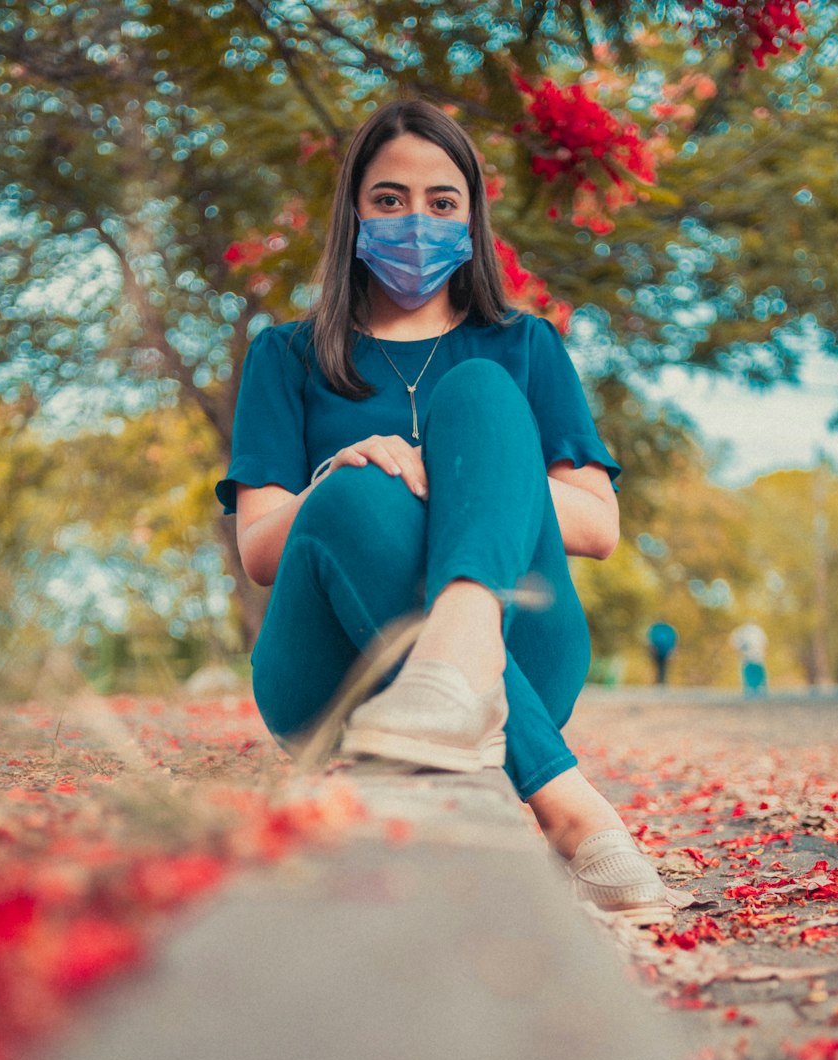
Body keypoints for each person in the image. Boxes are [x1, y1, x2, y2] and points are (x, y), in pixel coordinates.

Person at [216, 100, 691, 926]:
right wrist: (337, 475)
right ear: (354, 213)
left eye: (442, 202)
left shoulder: (523, 346)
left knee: (477, 398)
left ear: (470, 218)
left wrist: (470, 470)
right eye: (390, 198)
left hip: (521, 642)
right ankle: (568, 801)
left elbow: (599, 525)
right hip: (332, 677)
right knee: (359, 490)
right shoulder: (283, 356)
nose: (416, 219)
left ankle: (458, 661)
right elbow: (260, 547)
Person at [730, 622, 769, 695]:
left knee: (752, 674)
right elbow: (764, 642)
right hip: (753, 657)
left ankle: (754, 691)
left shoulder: (742, 631)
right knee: (754, 674)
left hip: (750, 657)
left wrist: (738, 651)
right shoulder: (756, 630)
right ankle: (757, 691)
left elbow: (734, 642)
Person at [646, 621, 678, 686]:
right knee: (658, 667)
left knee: (663, 667)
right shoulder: (656, 629)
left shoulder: (668, 629)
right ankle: (658, 682)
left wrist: (673, 651)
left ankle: (662, 682)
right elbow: (649, 640)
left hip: (665, 652)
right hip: (657, 652)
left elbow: (674, 640)